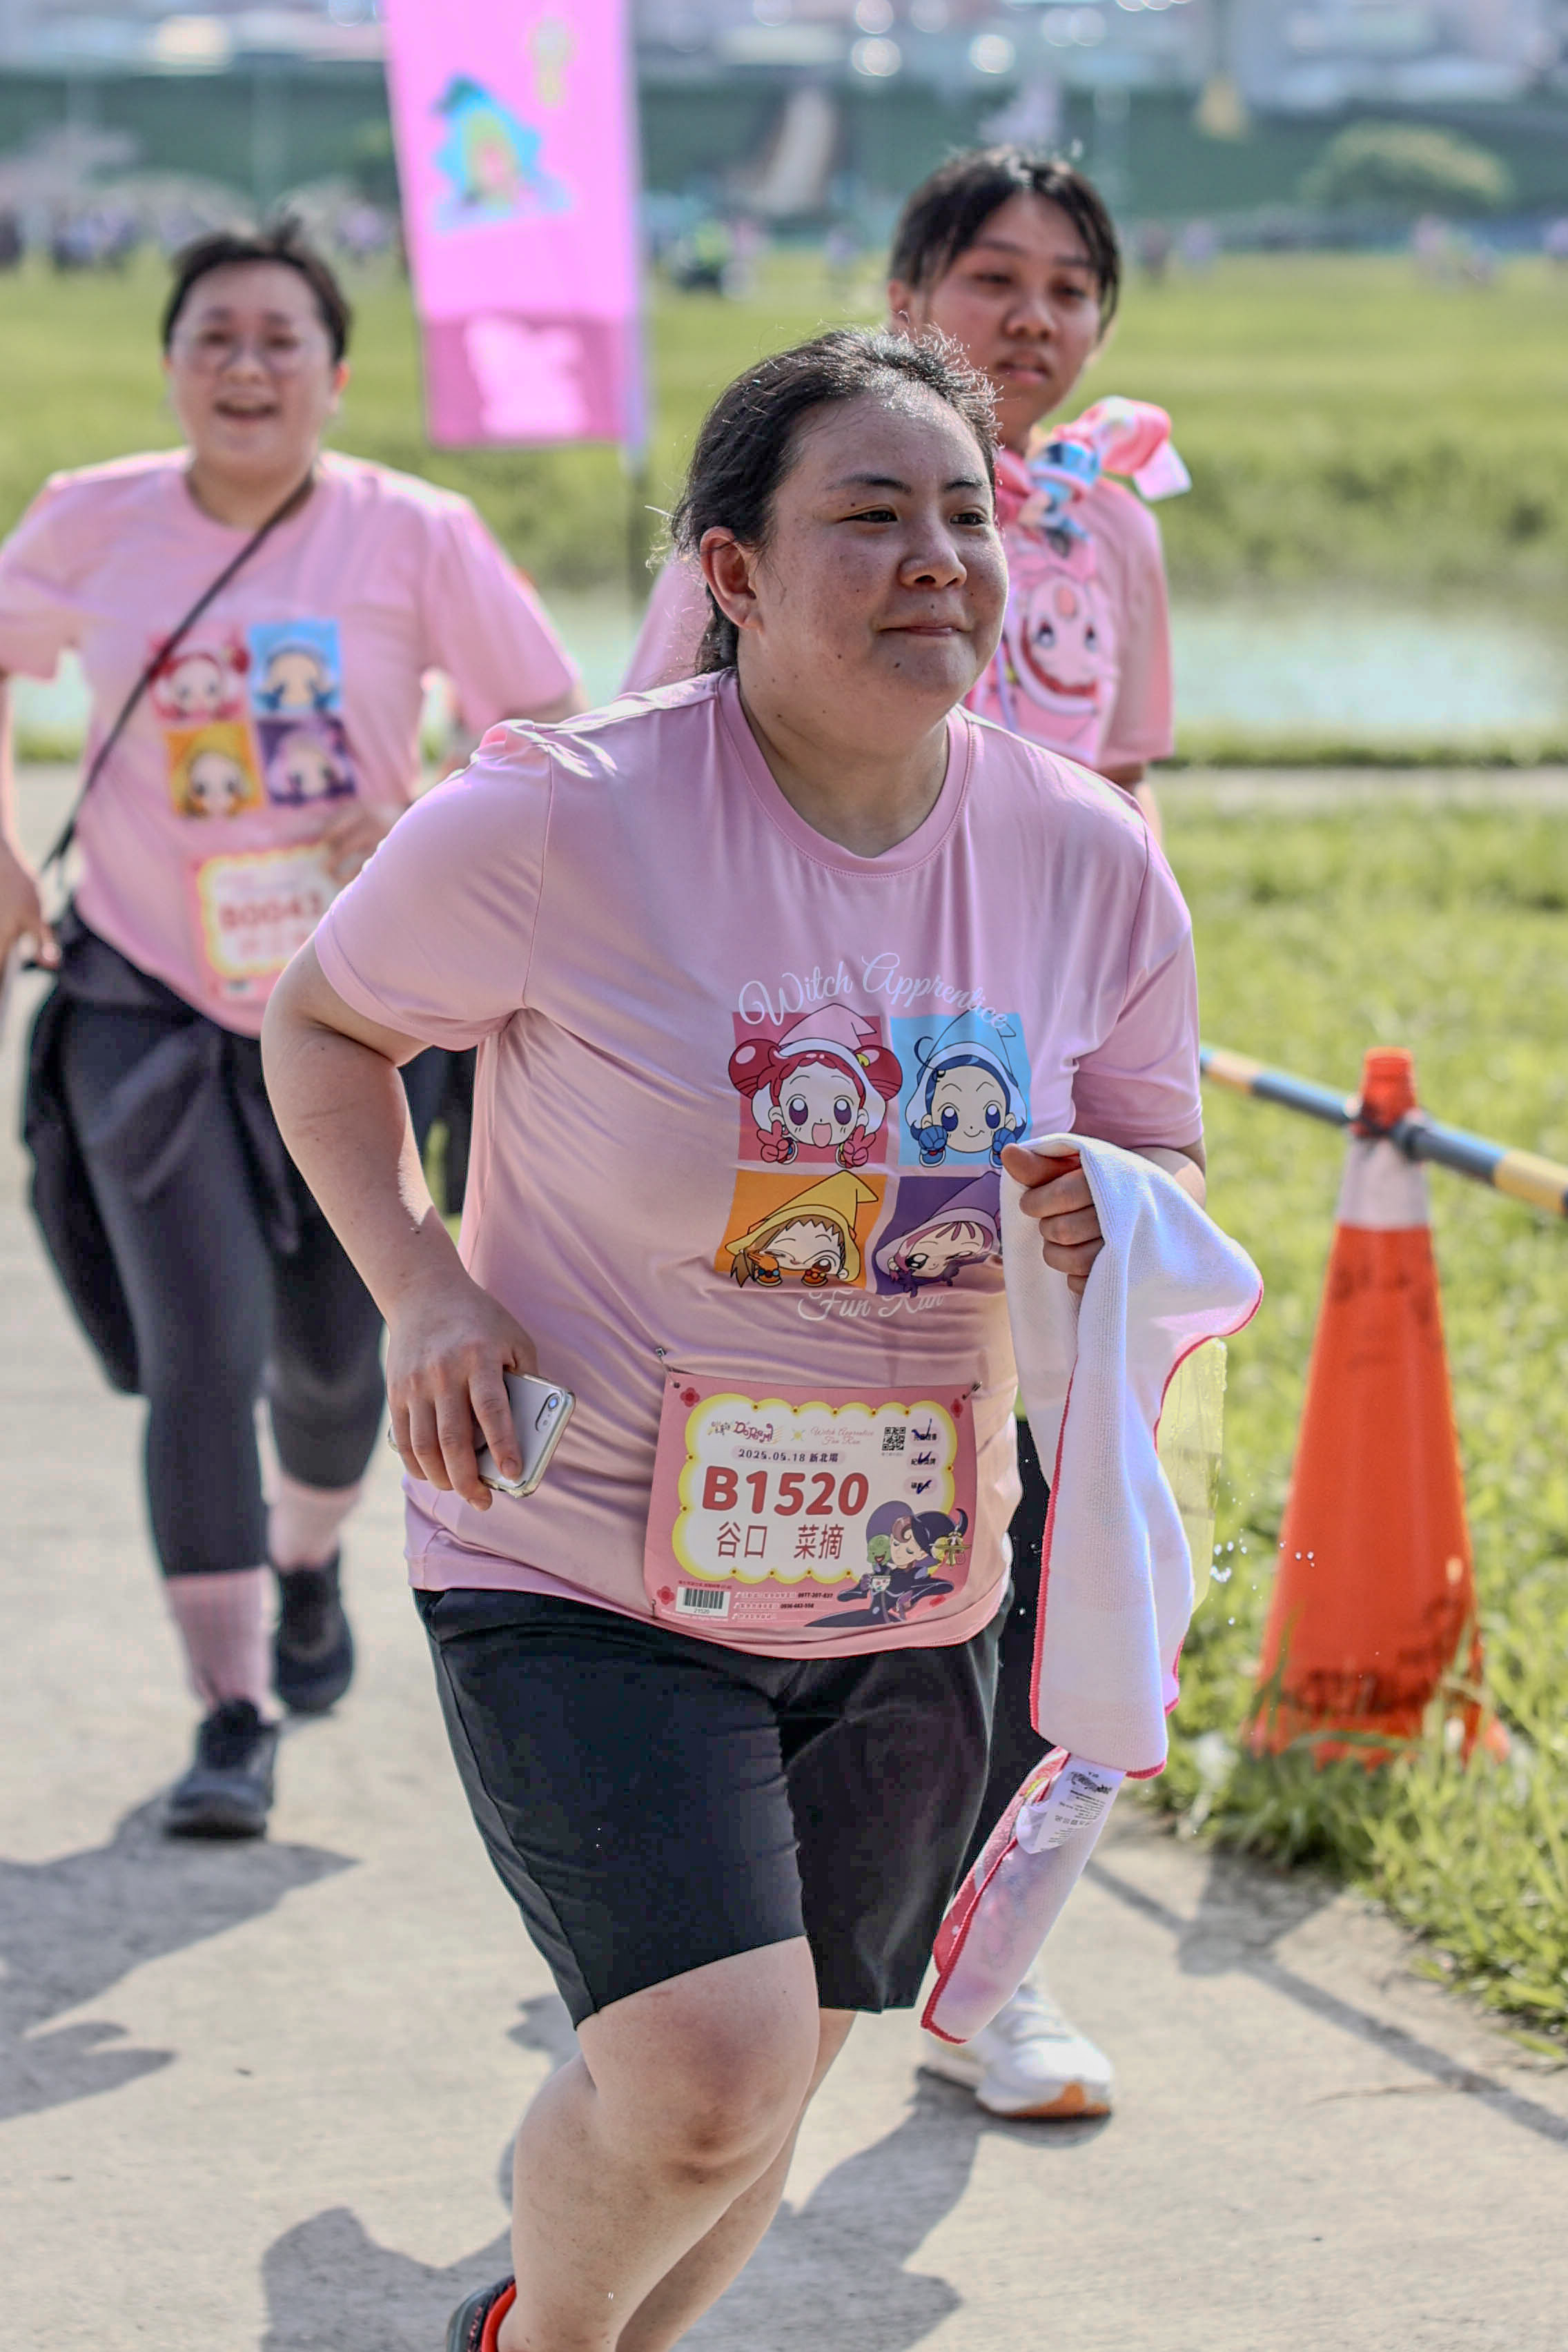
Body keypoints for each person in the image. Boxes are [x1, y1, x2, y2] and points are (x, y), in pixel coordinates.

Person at [262, 325, 1206, 2352]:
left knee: (775, 2081)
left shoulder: (1085, 856)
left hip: (916, 1580)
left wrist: (1104, 1212)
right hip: (576, 1551)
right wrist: (424, 1281)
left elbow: (1157, 1157)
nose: (935, 556)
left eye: (964, 514)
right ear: (733, 571)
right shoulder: (565, 816)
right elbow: (323, 1025)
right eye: (868, 514)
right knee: (705, 2073)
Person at [623, 147, 1182, 2120]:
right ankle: (721, 1890)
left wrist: (1136, 1105)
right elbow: (648, 794)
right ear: (907, 299)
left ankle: (987, 1967)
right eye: (991, 278)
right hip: (810, 1096)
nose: (1032, 318)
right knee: (810, 1483)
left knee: (1053, 1524)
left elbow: (1130, 800)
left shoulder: (1109, 522)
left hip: (1028, 1121)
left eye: (1069, 286)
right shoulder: (796, 506)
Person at [0, 219, 585, 1839]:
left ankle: (306, 1557)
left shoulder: (416, 532)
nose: (245, 368)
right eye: (214, 338)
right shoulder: (91, 517)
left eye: (279, 341)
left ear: (335, 377)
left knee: (336, 1363)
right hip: (145, 997)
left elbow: (545, 720)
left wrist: (429, 812)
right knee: (203, 1352)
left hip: (361, 1010)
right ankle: (231, 1708)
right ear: (170, 368)